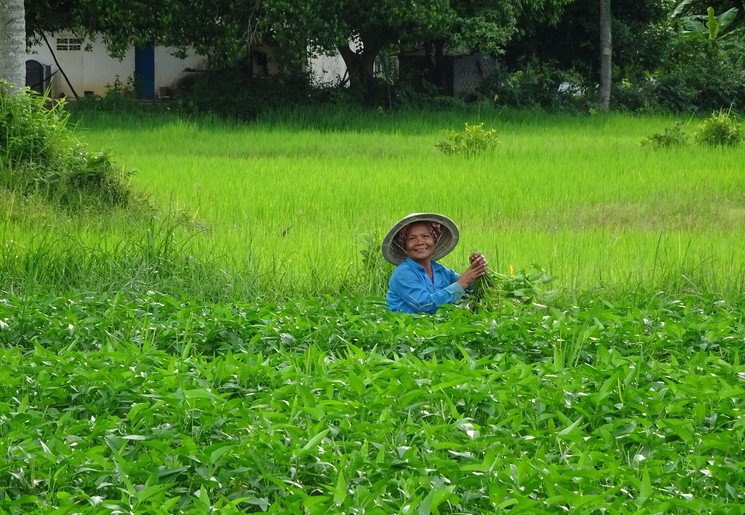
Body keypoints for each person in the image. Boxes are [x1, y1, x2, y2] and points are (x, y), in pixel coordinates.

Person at [382, 213, 488, 314]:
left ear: (434, 241)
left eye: (425, 236)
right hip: (405, 329)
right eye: (412, 238)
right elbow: (425, 305)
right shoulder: (403, 273)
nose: (419, 242)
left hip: (434, 329)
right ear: (405, 246)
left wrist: (477, 269)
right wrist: (461, 284)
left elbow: (470, 290)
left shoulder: (441, 271)